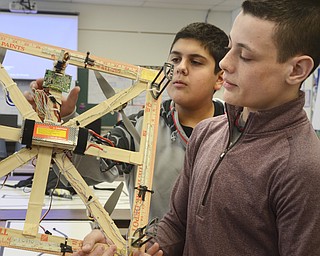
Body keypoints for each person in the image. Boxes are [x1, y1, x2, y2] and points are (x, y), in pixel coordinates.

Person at [77, 0, 320, 255]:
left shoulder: (303, 167)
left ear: (296, 69)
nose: (225, 64)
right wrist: (132, 249)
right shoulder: (208, 133)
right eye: (229, 48)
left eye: (245, 55)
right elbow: (176, 225)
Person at [26, 22, 229, 221]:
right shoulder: (141, 126)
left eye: (196, 62)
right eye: (175, 59)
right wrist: (59, 122)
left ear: (220, 78)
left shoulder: (239, 128)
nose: (180, 68)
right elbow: (88, 169)